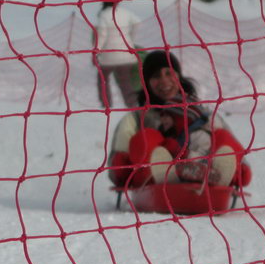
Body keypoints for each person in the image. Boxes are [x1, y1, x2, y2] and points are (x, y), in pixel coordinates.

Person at [108, 50, 252, 189]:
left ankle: (219, 175)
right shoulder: (136, 118)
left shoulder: (200, 113)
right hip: (152, 182)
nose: (164, 81)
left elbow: (240, 162)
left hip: (203, 165)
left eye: (169, 73)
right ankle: (165, 173)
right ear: (147, 83)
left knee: (222, 135)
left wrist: (239, 169)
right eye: (156, 76)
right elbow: (118, 169)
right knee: (146, 138)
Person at [94, 0, 141, 108]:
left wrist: (96, 50)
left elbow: (102, 34)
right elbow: (137, 22)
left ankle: (106, 105)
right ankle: (132, 104)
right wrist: (130, 38)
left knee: (103, 80)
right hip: (125, 53)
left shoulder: (103, 15)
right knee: (125, 81)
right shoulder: (125, 13)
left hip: (108, 56)